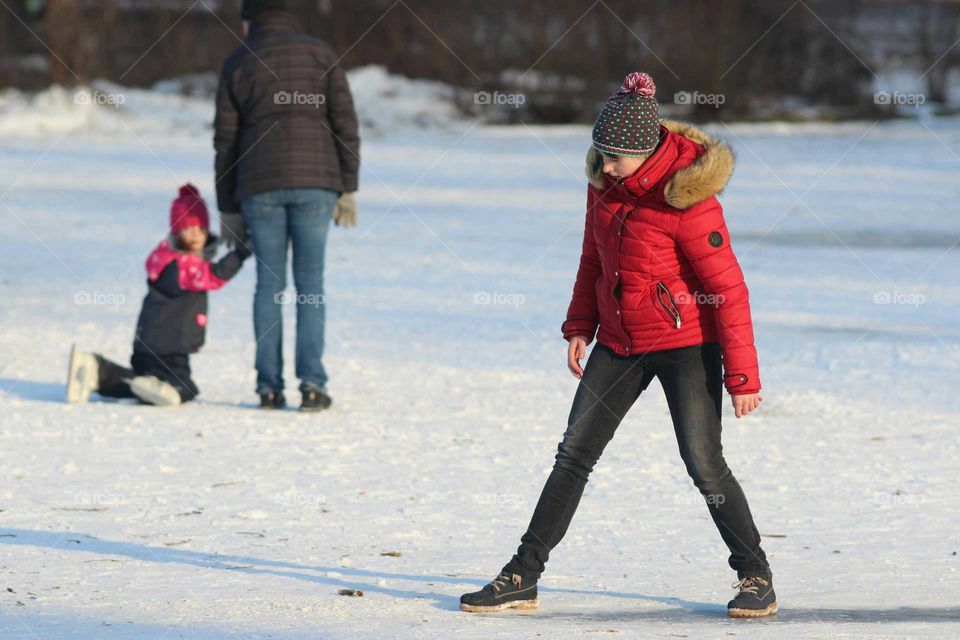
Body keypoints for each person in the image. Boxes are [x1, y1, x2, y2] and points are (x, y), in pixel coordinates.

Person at [459, 72, 776, 618]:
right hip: (619, 341)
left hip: (686, 344)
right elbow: (592, 259)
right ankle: (522, 575)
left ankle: (755, 575)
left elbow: (728, 289)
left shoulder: (688, 200)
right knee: (572, 455)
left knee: (704, 464)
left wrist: (742, 377)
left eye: (615, 157)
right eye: (600, 153)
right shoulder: (604, 189)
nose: (605, 165)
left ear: (645, 150)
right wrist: (579, 323)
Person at [214, 0, 360, 412]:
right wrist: (348, 186)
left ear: (249, 19)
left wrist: (228, 206)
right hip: (317, 184)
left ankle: (268, 388)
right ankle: (313, 386)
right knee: (310, 286)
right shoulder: (320, 52)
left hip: (259, 187)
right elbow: (345, 123)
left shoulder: (238, 61)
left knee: (268, 287)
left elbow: (225, 142)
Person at [66, 184, 250, 407]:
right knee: (185, 389)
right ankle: (159, 388)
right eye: (188, 229)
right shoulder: (182, 265)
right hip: (169, 347)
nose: (195, 235)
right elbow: (214, 276)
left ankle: (100, 372)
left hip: (151, 343)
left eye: (200, 229)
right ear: (176, 230)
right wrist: (241, 253)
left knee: (143, 384)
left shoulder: (167, 259)